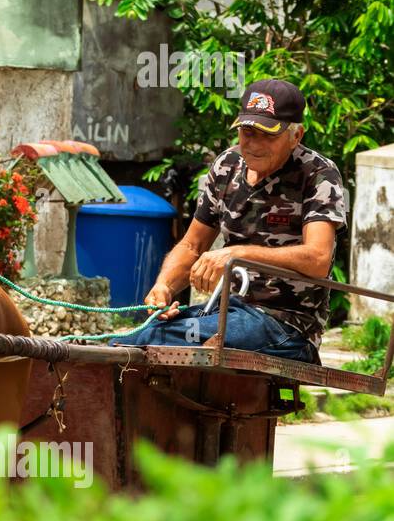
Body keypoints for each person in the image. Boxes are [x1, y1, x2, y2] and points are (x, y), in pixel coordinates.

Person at [109, 79, 348, 364]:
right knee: (143, 333)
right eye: (247, 132)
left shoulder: (318, 174)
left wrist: (236, 253)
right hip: (228, 311)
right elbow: (192, 244)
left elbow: (318, 258)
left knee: (156, 341)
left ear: (296, 136)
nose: (254, 144)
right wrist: (164, 287)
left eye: (267, 135)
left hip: (286, 326)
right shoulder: (227, 166)